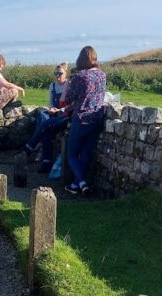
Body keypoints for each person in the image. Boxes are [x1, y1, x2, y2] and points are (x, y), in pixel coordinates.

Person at [63, 46, 106, 195]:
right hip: (97, 118)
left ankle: (82, 183)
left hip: (81, 118)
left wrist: (69, 82)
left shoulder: (80, 76)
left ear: (81, 59)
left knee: (72, 154)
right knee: (86, 152)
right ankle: (76, 185)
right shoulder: (102, 75)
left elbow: (67, 98)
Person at [23, 63, 70, 173]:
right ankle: (45, 161)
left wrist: (58, 110)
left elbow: (69, 106)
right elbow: (50, 103)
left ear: (65, 74)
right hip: (54, 113)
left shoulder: (69, 85)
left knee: (45, 125)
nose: (57, 76)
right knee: (43, 118)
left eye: (60, 73)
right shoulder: (52, 86)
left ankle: (30, 149)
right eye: (55, 73)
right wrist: (52, 109)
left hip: (63, 115)